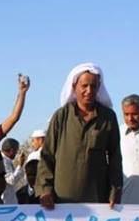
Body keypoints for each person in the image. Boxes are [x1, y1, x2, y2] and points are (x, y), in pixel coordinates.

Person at [35, 62, 122, 209]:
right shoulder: (61, 116)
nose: (89, 91)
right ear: (74, 87)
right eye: (84, 86)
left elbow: (115, 158)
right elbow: (47, 156)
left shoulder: (108, 117)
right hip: (61, 200)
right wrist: (45, 190)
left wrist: (115, 191)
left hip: (98, 198)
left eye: (93, 86)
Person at [0, 138, 26, 204]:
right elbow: (11, 180)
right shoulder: (3, 161)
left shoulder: (7, 160)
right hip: (5, 201)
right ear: (12, 150)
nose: (16, 153)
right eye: (16, 151)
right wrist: (20, 165)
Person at [23, 129, 45, 204]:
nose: (32, 144)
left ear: (40, 140)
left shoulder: (34, 155)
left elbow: (29, 174)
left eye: (33, 141)